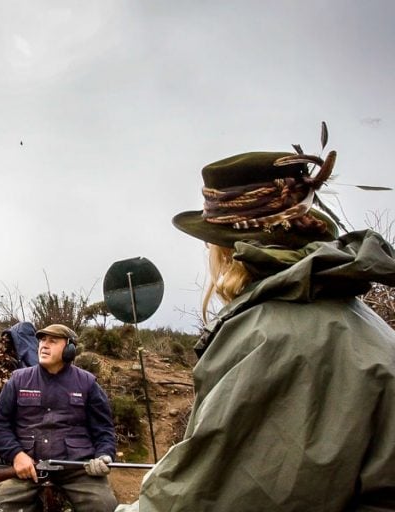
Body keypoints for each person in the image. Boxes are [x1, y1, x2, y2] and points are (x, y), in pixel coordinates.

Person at [117, 146, 395, 511]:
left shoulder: (266, 336)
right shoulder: (368, 324)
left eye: (210, 243)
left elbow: (206, 499)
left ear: (230, 251)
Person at [0, 323, 118, 512]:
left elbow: (104, 430)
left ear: (69, 349)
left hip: (77, 471)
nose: (44, 345)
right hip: (30, 470)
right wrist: (17, 455)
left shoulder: (88, 384)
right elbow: (0, 426)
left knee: (105, 507)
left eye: (53, 341)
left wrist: (104, 456)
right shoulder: (18, 380)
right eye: (42, 341)